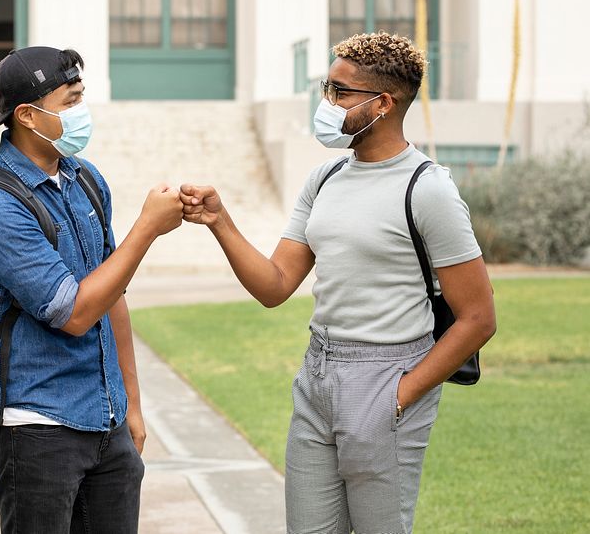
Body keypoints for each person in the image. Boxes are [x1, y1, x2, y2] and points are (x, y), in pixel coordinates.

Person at [180, 32, 497, 533]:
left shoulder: (428, 187)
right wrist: (221, 222)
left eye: (340, 92)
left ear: (384, 103)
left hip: (389, 375)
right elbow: (276, 285)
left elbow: (478, 318)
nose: (327, 102)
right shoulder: (324, 177)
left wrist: (402, 392)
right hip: (318, 373)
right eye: (328, 88)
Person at [0, 46, 183, 533]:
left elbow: (112, 294)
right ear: (26, 115)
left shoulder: (84, 178)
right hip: (36, 423)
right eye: (71, 100)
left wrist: (131, 407)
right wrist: (146, 228)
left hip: (106, 418)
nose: (83, 112)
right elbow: (75, 312)